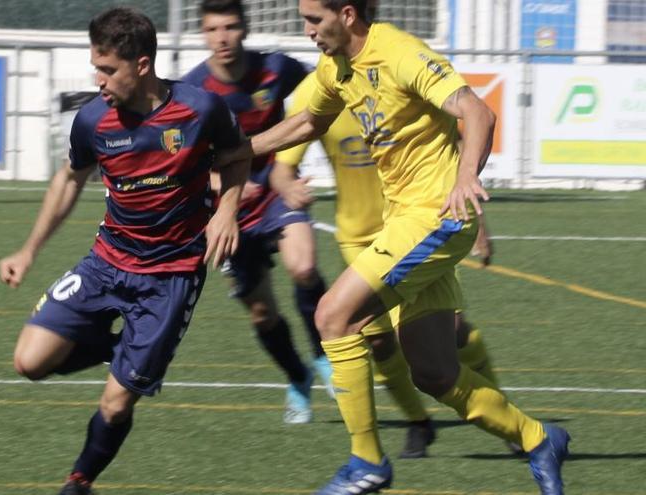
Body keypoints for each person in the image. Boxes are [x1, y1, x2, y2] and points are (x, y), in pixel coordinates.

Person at [218, 1, 569, 493]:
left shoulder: (400, 53)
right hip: (403, 221)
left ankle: (366, 462)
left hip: (435, 217)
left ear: (346, 14)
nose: (307, 30)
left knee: (332, 317)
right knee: (434, 372)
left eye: (314, 19)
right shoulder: (336, 66)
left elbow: (477, 111)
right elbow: (306, 123)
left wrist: (466, 177)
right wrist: (242, 149)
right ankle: (538, 438)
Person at [0, 8, 249, 495]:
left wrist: (227, 210)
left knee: (115, 405)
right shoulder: (92, 119)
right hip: (106, 262)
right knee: (29, 362)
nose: (99, 79)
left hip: (170, 277)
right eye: (96, 66)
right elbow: (70, 179)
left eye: (108, 69)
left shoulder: (200, 110)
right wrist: (29, 250)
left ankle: (79, 481)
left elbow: (238, 156)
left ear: (142, 65)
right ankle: (129, 351)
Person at [272, 71, 508, 458]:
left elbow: (457, 143)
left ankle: (505, 420)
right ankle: (418, 423)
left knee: (452, 331)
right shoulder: (313, 91)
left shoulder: (395, 77)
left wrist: (478, 219)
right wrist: (287, 186)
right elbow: (283, 166)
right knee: (378, 339)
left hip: (418, 229)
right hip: (359, 237)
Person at [183, 0, 332, 424]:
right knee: (262, 312)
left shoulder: (277, 69)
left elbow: (326, 91)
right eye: (213, 30)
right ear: (203, 34)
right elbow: (185, 164)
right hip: (231, 211)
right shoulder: (195, 92)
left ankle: (325, 357)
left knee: (303, 268)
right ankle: (298, 376)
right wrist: (220, 186)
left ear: (245, 29)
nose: (223, 37)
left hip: (277, 192)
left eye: (230, 27)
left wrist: (301, 163)